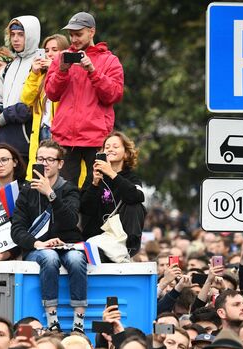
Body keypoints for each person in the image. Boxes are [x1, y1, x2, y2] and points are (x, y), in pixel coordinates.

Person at [11, 139, 86, 332]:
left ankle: (79, 320)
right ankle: (52, 319)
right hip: (39, 249)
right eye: (40, 159)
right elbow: (17, 229)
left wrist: (50, 194)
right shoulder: (27, 191)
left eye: (50, 159)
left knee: (77, 259)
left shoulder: (69, 189)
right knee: (50, 257)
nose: (44, 163)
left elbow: (70, 220)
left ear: (60, 164)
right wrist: (38, 243)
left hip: (68, 245)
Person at [45, 12, 124, 186]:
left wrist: (93, 71)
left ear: (92, 32)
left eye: (78, 34)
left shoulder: (110, 60)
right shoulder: (61, 58)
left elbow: (114, 95)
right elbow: (51, 93)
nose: (73, 39)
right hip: (65, 137)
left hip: (96, 138)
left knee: (97, 192)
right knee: (65, 193)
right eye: (71, 34)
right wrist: (62, 71)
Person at [80, 131, 145, 260]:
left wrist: (112, 174)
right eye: (107, 147)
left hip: (121, 236)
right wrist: (94, 184)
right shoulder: (94, 176)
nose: (110, 150)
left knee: (135, 204)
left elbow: (137, 197)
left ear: (126, 154)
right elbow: (85, 208)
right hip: (97, 237)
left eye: (115, 147)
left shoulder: (131, 178)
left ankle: (128, 248)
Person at [0, 16, 41, 160]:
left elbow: (31, 106)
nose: (15, 39)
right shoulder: (10, 66)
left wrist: (5, 116)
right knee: (5, 183)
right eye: (12, 35)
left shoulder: (39, 64)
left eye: (21, 34)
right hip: (4, 141)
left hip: (26, 144)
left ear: (31, 35)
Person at [21, 34, 69, 177]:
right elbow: (26, 99)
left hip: (59, 131)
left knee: (58, 175)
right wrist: (34, 73)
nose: (49, 54)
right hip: (41, 130)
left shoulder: (69, 73)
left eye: (55, 49)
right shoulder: (40, 76)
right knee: (39, 175)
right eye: (46, 50)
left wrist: (55, 69)